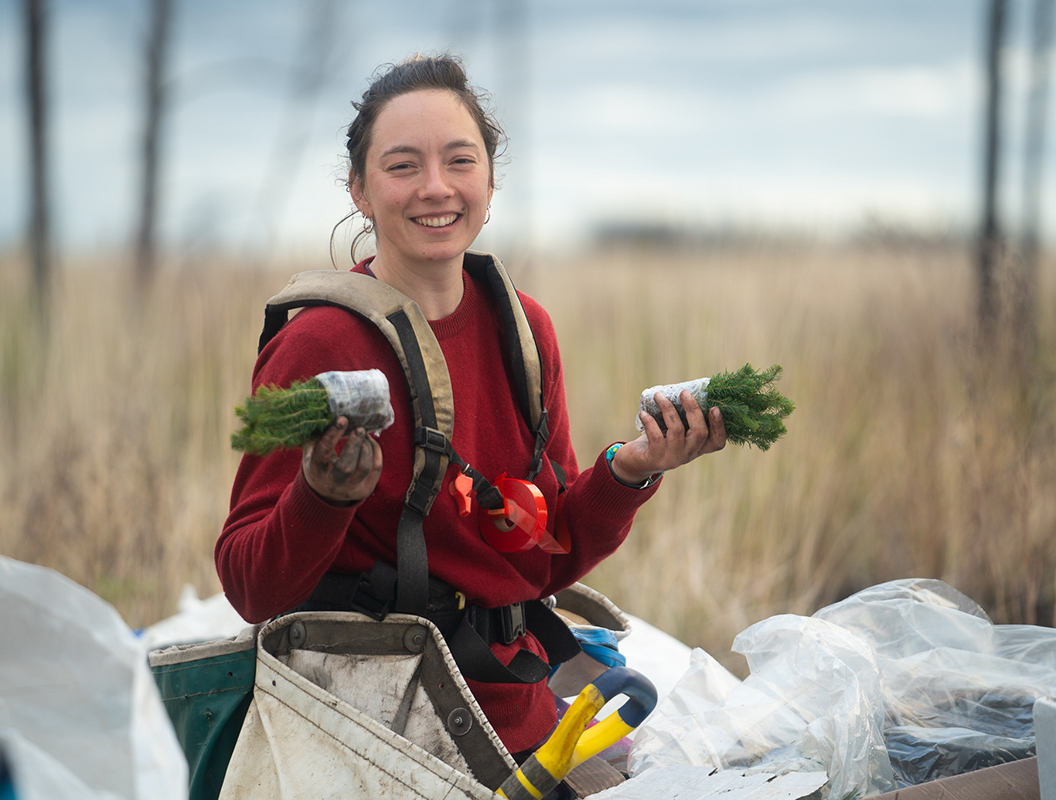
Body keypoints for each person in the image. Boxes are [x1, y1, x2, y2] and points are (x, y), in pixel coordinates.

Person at [215, 53, 725, 768]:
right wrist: (322, 497)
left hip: (521, 722)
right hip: (377, 741)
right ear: (359, 190)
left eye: (460, 159)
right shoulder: (317, 345)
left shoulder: (526, 330)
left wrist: (633, 470)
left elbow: (541, 561)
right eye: (402, 166)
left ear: (489, 178)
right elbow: (247, 584)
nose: (435, 188)